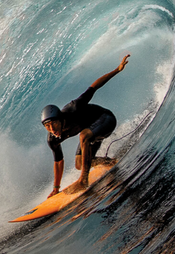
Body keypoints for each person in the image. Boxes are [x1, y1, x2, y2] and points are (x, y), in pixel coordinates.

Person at [42, 54, 130, 198]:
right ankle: (111, 162)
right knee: (79, 163)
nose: (52, 129)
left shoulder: (74, 108)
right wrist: (56, 188)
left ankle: (83, 180)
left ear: (60, 118)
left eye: (53, 124)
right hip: (91, 134)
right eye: (47, 127)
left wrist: (117, 69)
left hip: (106, 119)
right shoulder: (53, 138)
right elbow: (58, 162)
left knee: (84, 136)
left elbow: (94, 87)